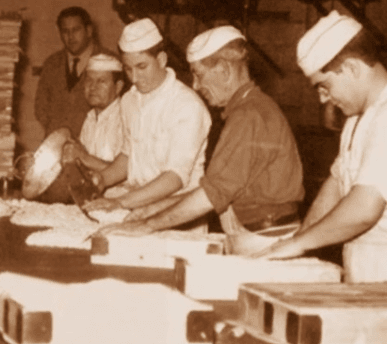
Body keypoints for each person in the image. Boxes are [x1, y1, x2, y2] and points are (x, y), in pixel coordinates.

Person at [254, 11, 387, 304]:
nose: (322, 98)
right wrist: (297, 243)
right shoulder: (360, 118)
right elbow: (338, 182)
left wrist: (299, 243)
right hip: (372, 269)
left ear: (352, 68)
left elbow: (365, 207)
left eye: (324, 86)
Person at [96, 26, 304, 240]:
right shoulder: (248, 109)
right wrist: (151, 209)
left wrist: (146, 225)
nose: (195, 85)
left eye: (199, 75)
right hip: (256, 232)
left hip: (264, 235)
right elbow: (215, 187)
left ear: (224, 70)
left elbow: (211, 195)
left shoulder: (250, 116)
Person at [83, 18, 212, 225]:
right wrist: (102, 179)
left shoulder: (187, 105)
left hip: (178, 215)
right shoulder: (128, 100)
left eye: (142, 66)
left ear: (161, 59)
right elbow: (127, 155)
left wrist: (120, 202)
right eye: (127, 69)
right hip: (136, 207)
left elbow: (175, 178)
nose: (134, 78)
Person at [34, 6, 113, 139]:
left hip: (94, 148)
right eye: (65, 31)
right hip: (56, 145)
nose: (70, 37)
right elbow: (40, 106)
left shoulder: (110, 62)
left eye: (76, 30)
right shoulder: (51, 63)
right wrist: (57, 131)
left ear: (89, 30)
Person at [62, 53, 126, 172]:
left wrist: (84, 157)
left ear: (118, 87)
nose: (93, 87)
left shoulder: (126, 117)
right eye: (89, 80)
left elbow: (127, 174)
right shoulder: (90, 118)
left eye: (101, 81)